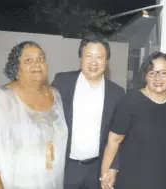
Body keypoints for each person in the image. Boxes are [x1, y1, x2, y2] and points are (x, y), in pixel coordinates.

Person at [0, 41, 68, 189]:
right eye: (28, 60)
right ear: (16, 67)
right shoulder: (1, 99)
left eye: (41, 59)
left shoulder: (56, 95)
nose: (37, 64)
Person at [51, 34, 125, 189]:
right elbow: (47, 120)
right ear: (80, 58)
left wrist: (113, 166)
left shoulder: (116, 93)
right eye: (88, 56)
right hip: (65, 167)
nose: (93, 62)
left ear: (106, 61)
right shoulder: (62, 82)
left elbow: (117, 135)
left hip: (97, 168)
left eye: (99, 57)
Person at [101, 51, 166, 189]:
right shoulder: (130, 101)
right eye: (152, 73)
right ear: (146, 76)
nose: (157, 78)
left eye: (163, 73)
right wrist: (104, 176)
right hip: (132, 180)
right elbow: (114, 141)